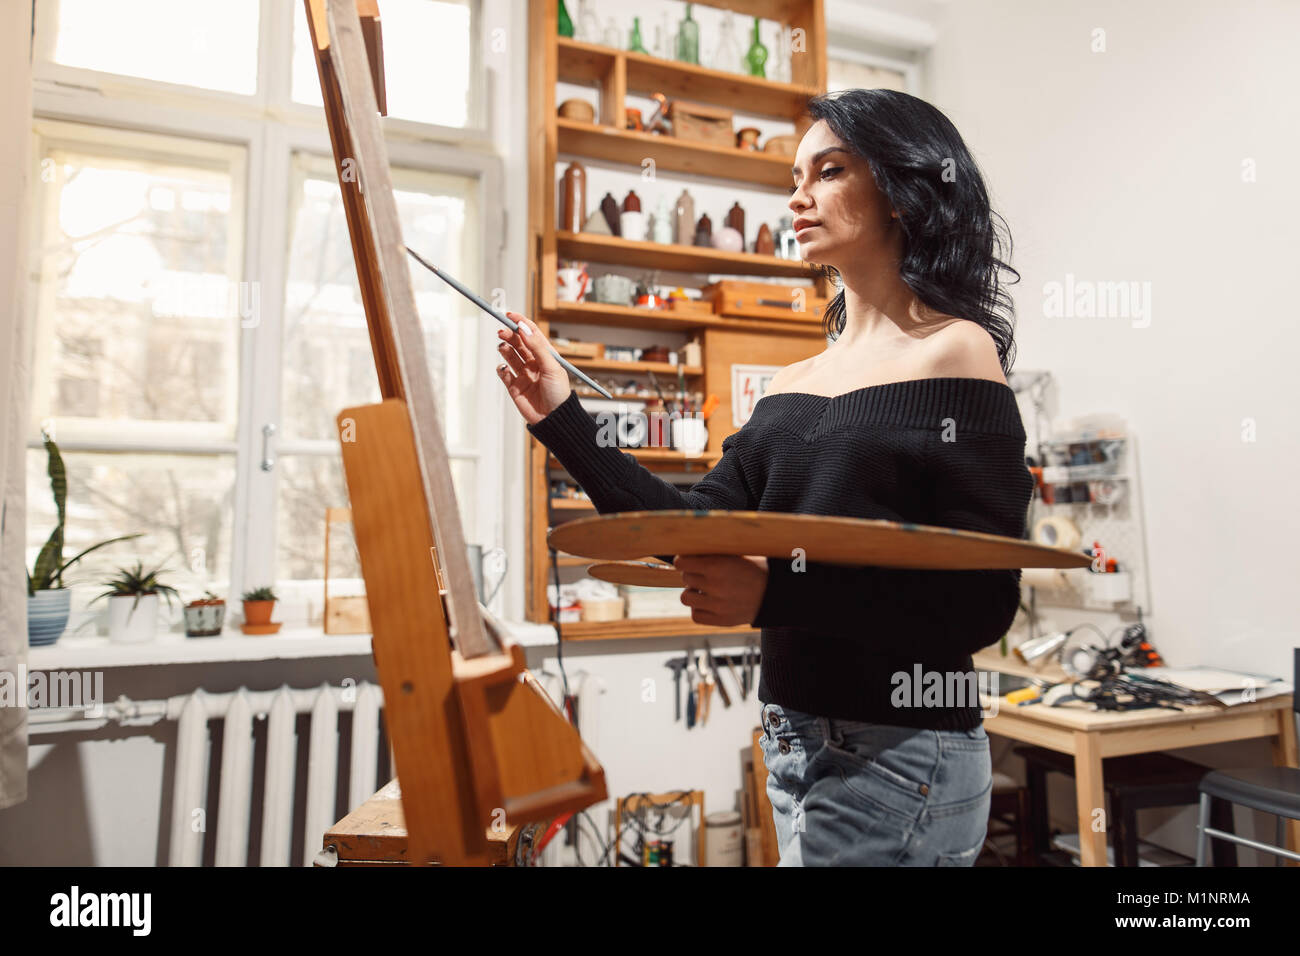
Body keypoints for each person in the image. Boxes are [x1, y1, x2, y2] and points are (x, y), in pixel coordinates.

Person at [494, 88, 1034, 866]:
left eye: (829, 170)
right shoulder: (790, 388)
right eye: (794, 176)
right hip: (793, 737)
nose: (799, 195)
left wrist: (778, 594)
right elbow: (684, 529)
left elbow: (981, 602)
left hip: (901, 751)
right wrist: (560, 416)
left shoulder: (955, 353)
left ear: (900, 187)